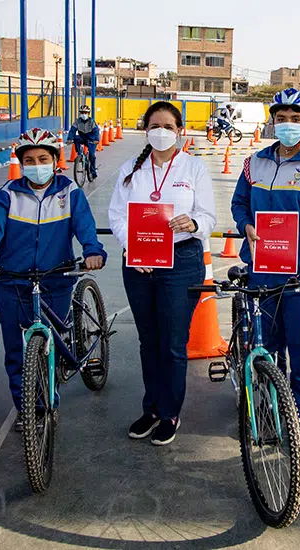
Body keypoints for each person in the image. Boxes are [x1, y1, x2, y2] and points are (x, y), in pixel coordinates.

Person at [0, 128, 107, 420]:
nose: (36, 165)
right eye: (29, 160)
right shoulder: (6, 195)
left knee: (50, 346)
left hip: (56, 279)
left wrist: (92, 250)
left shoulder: (70, 192)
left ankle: (49, 398)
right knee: (18, 353)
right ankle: (29, 411)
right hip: (13, 282)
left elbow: (84, 225)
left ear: (55, 160)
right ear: (20, 163)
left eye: (43, 158)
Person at [231, 87, 300, 456]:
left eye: (296, 119)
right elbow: (239, 202)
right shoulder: (254, 163)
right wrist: (245, 224)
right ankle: (267, 405)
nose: (288, 125)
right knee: (265, 345)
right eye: (282, 119)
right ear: (272, 122)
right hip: (262, 271)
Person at [109, 102, 217, 444]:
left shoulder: (194, 168)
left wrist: (195, 222)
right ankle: (151, 408)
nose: (161, 132)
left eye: (168, 126)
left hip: (181, 261)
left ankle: (170, 413)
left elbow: (209, 217)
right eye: (155, 125)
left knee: (172, 343)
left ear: (180, 131)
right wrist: (133, 245)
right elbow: (116, 216)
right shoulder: (131, 169)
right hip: (139, 262)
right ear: (146, 131)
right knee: (148, 341)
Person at [67, 105, 100, 180]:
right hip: (82, 137)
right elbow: (72, 130)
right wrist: (70, 139)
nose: (84, 114)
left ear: (88, 114)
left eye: (85, 112)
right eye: (82, 112)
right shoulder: (77, 121)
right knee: (76, 138)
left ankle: (93, 171)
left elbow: (96, 132)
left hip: (91, 140)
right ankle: (80, 154)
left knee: (92, 155)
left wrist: (96, 140)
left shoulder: (91, 122)